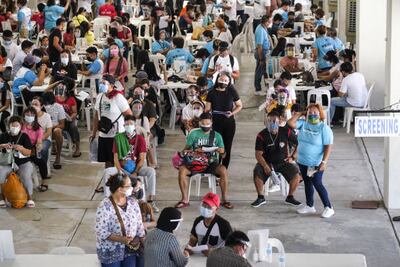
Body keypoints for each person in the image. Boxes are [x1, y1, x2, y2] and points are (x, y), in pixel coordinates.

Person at [175, 112, 233, 209]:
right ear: (199, 123)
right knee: (182, 170)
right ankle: (184, 199)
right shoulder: (193, 133)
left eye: (207, 124)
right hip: (195, 162)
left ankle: (224, 199)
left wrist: (220, 151)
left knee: (223, 170)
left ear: (211, 123)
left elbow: (223, 155)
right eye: (203, 124)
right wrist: (191, 151)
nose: (205, 126)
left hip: (211, 163)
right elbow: (186, 149)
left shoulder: (217, 136)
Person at [288, 104, 335, 218]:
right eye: (310, 112)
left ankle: (329, 207)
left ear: (320, 114)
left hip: (315, 163)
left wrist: (324, 162)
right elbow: (290, 123)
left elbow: (328, 146)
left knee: (317, 183)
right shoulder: (303, 124)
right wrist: (300, 113)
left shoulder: (324, 128)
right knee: (308, 183)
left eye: (315, 113)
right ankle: (310, 206)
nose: (313, 115)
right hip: (303, 161)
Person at [251, 110, 302, 207]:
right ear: (266, 122)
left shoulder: (286, 131)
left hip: (283, 162)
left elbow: (299, 143)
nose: (272, 123)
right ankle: (260, 197)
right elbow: (258, 154)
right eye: (270, 121)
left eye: (275, 121)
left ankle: (290, 197)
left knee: (296, 172)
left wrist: (293, 157)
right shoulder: (261, 135)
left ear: (280, 121)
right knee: (257, 171)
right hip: (267, 163)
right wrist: (265, 166)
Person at [95, 173, 145, 267]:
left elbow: (139, 224)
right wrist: (121, 239)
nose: (132, 188)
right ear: (120, 189)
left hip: (130, 249)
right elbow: (100, 231)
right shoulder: (104, 206)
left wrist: (144, 241)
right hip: (111, 252)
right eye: (129, 186)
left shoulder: (133, 202)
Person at [113, 115, 159, 212]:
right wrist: (120, 170)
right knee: (108, 172)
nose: (129, 126)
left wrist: (136, 172)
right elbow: (116, 158)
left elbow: (142, 159)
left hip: (136, 167)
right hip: (123, 168)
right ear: (123, 125)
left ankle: (150, 200)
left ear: (135, 125)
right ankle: (112, 200)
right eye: (127, 124)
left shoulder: (140, 139)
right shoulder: (118, 138)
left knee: (151, 171)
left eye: (131, 124)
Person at [91, 75, 132, 169]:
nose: (101, 85)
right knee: (107, 161)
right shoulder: (100, 96)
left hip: (116, 135)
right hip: (103, 134)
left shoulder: (118, 97)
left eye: (104, 83)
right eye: (100, 83)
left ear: (112, 85)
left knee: (119, 161)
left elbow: (129, 115)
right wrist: (94, 133)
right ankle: (109, 181)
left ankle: (121, 181)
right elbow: (96, 116)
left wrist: (129, 132)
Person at [205, 73, 242, 168]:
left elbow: (239, 105)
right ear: (217, 80)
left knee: (227, 146)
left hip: (229, 123)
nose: (223, 82)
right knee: (216, 146)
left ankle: (224, 169)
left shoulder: (232, 91)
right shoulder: (211, 92)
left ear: (229, 82)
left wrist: (232, 113)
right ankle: (215, 167)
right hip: (215, 123)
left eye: (226, 80)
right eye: (221, 80)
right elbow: (207, 109)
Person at [0, 116, 35, 208]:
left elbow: (29, 152)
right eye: (12, 125)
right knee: (1, 174)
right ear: (9, 126)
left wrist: (21, 148)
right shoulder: (3, 136)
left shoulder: (24, 136)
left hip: (23, 162)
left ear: (20, 126)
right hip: (7, 163)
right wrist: (3, 146)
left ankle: (30, 198)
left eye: (16, 125)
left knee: (26, 175)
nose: (14, 127)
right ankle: (1, 198)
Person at [52, 78, 81, 158]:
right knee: (50, 126)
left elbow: (75, 112)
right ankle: (53, 146)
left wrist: (70, 118)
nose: (59, 89)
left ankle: (77, 147)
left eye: (61, 88)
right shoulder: (54, 98)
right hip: (57, 120)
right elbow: (46, 91)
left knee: (73, 127)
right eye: (58, 88)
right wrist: (56, 82)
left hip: (68, 120)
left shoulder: (71, 99)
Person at [21, 107, 48, 186]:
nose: (29, 116)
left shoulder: (38, 128)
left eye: (32, 114)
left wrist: (39, 145)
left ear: (35, 116)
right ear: (24, 116)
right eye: (27, 114)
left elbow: (39, 141)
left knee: (41, 162)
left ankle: (44, 181)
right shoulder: (21, 126)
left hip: (32, 149)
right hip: (21, 149)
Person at [42, 91, 65, 169]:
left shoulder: (58, 107)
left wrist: (52, 127)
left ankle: (58, 156)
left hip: (54, 128)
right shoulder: (41, 107)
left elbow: (62, 124)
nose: (47, 104)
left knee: (57, 131)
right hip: (43, 130)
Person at [31, 97, 52, 175]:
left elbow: (49, 132)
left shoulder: (46, 116)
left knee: (42, 149)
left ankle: (43, 169)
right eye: (32, 104)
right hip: (32, 139)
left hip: (44, 139)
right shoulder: (29, 116)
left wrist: (39, 140)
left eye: (36, 104)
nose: (33, 106)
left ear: (41, 106)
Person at [254, 15, 271, 96]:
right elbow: (259, 46)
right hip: (261, 52)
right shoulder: (260, 30)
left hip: (264, 51)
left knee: (264, 71)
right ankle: (258, 89)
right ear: (265, 22)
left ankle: (267, 87)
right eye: (269, 21)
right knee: (259, 71)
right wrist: (261, 58)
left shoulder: (263, 27)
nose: (270, 23)